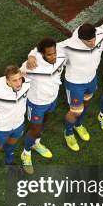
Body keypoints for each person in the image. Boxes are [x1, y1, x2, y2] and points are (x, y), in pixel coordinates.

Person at [60, 23, 103, 151]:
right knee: (76, 111)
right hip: (74, 84)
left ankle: (78, 125)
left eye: (93, 39)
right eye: (88, 41)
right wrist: (32, 56)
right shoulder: (68, 45)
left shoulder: (100, 33)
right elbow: (43, 50)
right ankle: (68, 133)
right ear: (81, 39)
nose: (93, 43)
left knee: (86, 104)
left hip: (91, 80)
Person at [21, 38, 65, 174]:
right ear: (41, 54)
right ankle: (25, 153)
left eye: (54, 53)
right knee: (35, 128)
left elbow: (72, 42)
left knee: (44, 121)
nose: (53, 57)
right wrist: (31, 56)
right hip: (36, 103)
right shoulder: (31, 65)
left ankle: (36, 143)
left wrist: (32, 53)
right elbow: (16, 77)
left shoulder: (61, 56)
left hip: (52, 99)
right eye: (49, 54)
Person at [0, 65, 30, 186]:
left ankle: (9, 163)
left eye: (19, 79)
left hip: (18, 124)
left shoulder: (26, 83)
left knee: (12, 144)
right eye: (14, 80)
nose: (18, 82)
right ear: (7, 81)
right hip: (1, 128)